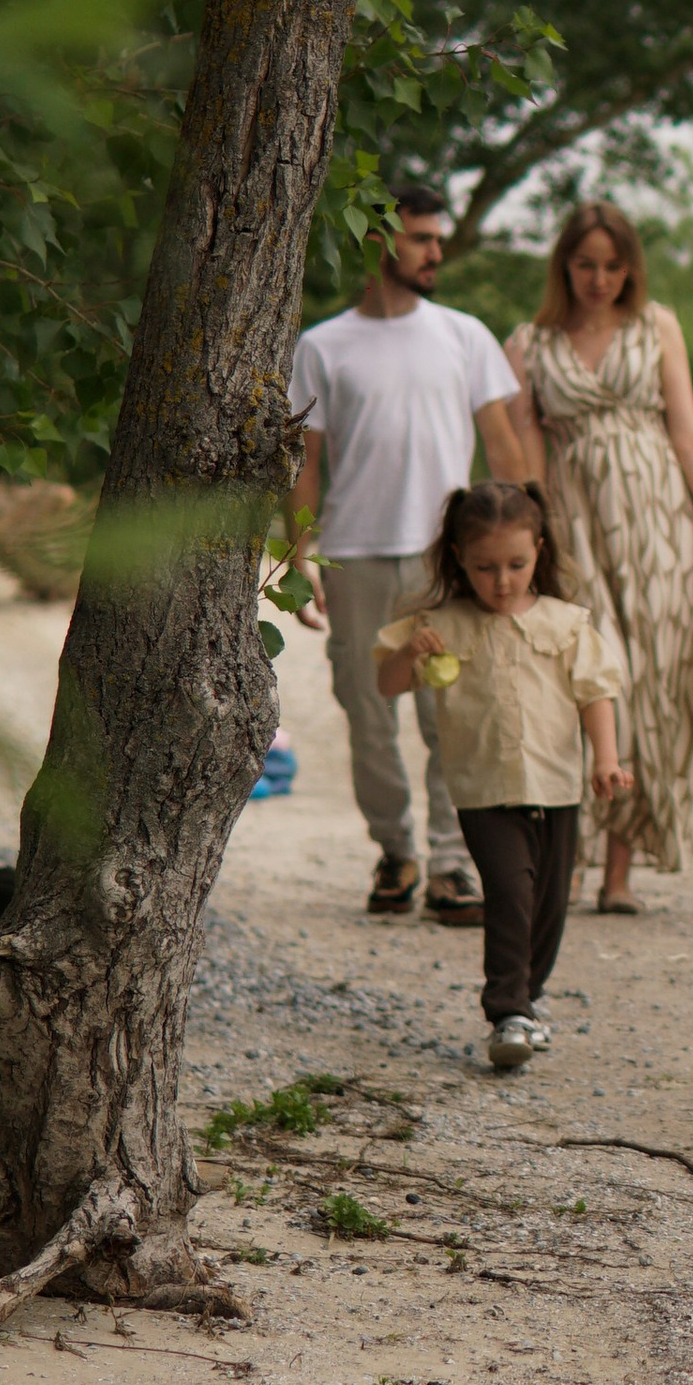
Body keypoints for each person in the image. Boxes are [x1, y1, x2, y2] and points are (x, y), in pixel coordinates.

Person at [504, 201, 693, 913]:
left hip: (662, 529)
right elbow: (525, 452)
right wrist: (534, 540)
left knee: (658, 686)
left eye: (614, 266)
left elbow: (690, 438)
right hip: (577, 526)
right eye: (585, 264)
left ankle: (620, 871)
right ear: (564, 266)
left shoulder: (657, 327)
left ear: (631, 269)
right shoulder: (530, 343)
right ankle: (571, 863)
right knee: (589, 680)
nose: (600, 279)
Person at [288, 187, 529, 924]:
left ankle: (453, 865)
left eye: (437, 238)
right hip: (354, 557)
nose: (435, 253)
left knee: (450, 714)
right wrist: (297, 559)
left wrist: (524, 551)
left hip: (445, 563)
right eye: (422, 238)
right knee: (367, 716)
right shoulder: (323, 346)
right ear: (377, 243)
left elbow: (504, 444)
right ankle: (396, 853)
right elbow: (306, 464)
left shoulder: (464, 335)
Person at [372, 482, 629, 1072]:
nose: (503, 580)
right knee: (510, 892)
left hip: (558, 784)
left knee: (549, 903)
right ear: (459, 557)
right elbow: (388, 686)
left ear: (540, 550)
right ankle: (507, 1010)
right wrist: (410, 652)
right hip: (483, 789)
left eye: (517, 564)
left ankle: (529, 1001)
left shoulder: (567, 623)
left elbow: (596, 694)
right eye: (486, 568)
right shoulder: (442, 624)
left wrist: (606, 760)